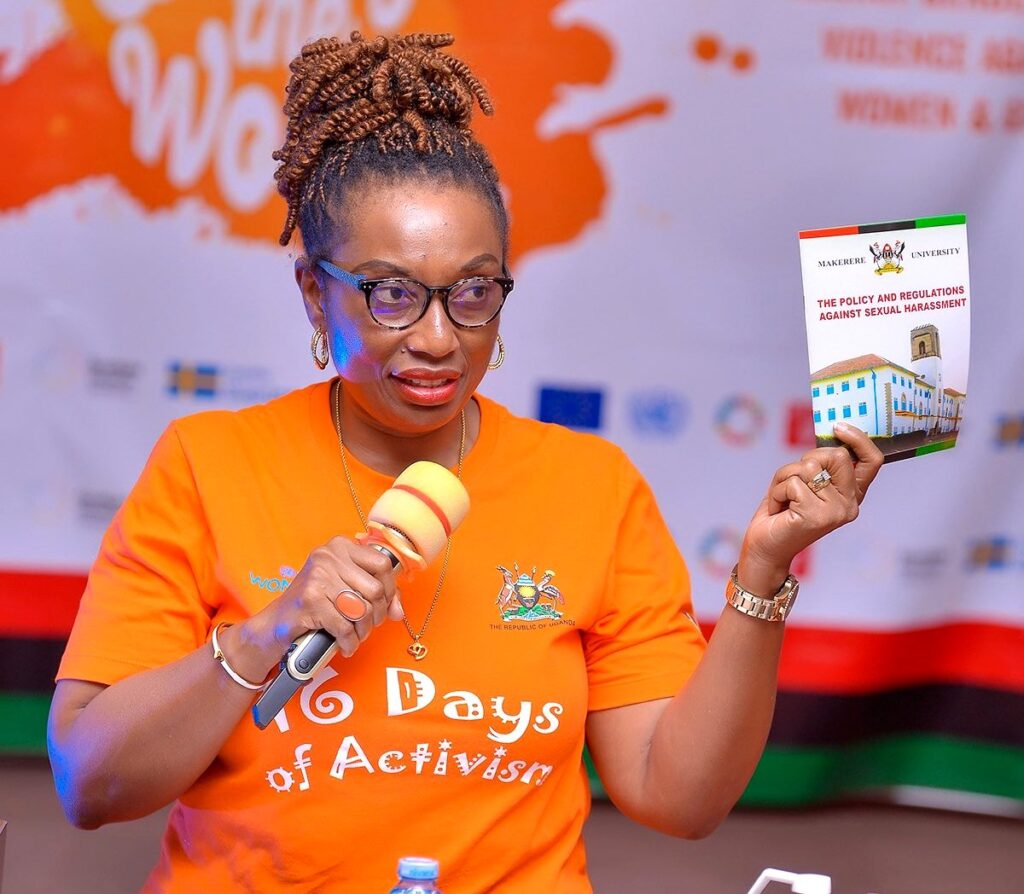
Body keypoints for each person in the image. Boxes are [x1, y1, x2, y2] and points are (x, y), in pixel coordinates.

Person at [48, 31, 884, 893]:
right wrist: (263, 635)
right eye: (392, 294)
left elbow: (680, 797)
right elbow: (89, 782)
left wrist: (762, 574)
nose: (440, 339)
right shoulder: (208, 465)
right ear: (313, 290)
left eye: (474, 292)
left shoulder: (591, 488)